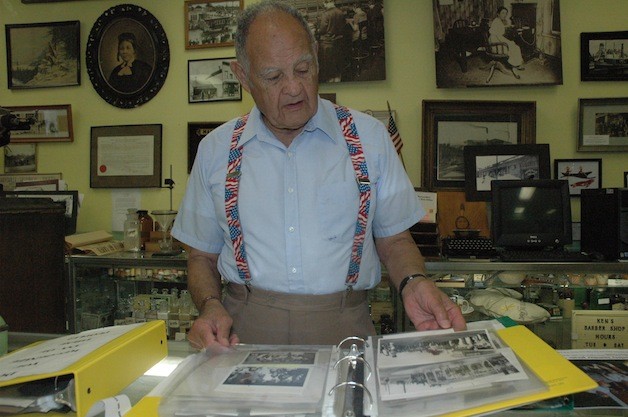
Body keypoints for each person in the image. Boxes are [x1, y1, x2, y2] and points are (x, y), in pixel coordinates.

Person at [172, 0, 466, 352]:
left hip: (346, 327)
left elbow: (395, 241)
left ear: (317, 55)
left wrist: (415, 282)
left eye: (303, 68)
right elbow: (201, 257)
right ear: (243, 77)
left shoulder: (369, 138)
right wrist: (210, 305)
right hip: (241, 332)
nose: (294, 88)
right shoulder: (216, 150)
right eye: (274, 76)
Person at [317, 1, 348, 82]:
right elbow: (344, 27)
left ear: (326, 2)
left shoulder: (326, 13)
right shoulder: (340, 12)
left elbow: (323, 30)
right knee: (337, 65)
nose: (323, 5)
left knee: (328, 68)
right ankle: (338, 81)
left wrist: (318, 30)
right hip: (338, 41)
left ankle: (331, 84)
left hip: (327, 43)